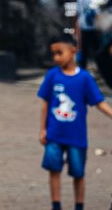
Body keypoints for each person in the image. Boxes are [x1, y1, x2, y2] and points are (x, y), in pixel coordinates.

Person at [39, 31, 112, 210]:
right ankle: (56, 205)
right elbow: (45, 104)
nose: (56, 57)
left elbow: (99, 102)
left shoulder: (85, 78)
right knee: (53, 170)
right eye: (53, 53)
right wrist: (43, 129)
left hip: (76, 136)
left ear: (73, 51)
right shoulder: (52, 76)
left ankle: (79, 206)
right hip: (54, 134)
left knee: (78, 173)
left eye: (59, 52)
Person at [75, 0, 112, 77]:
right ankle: (102, 70)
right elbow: (94, 13)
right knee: (98, 51)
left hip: (83, 27)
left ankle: (82, 70)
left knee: (84, 51)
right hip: (91, 28)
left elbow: (78, 14)